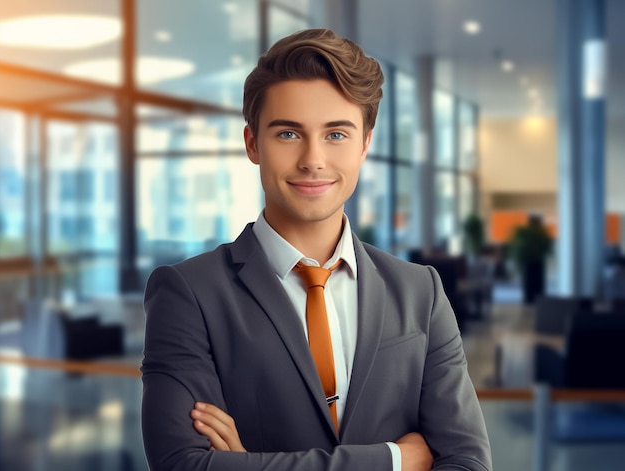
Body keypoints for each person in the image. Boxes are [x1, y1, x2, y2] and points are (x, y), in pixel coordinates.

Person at [141, 28, 492, 471]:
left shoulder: (420, 291)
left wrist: (253, 464)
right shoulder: (188, 294)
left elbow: (468, 462)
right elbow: (182, 466)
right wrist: (394, 460)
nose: (313, 159)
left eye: (336, 134)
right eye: (288, 134)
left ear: (365, 143)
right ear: (253, 144)